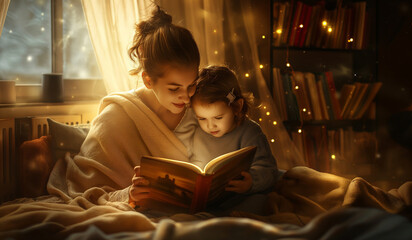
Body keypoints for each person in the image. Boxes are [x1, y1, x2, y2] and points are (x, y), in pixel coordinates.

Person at [47, 7, 201, 205]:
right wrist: (127, 194)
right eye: (174, 89)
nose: (186, 98)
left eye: (192, 85)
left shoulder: (201, 107)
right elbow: (88, 187)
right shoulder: (117, 115)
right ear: (147, 80)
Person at [186, 65, 278, 214]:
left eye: (218, 117)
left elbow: (268, 169)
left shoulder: (250, 132)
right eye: (202, 118)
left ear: (237, 107)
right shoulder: (195, 132)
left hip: (241, 198)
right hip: (207, 202)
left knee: (260, 202)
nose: (210, 125)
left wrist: (251, 182)